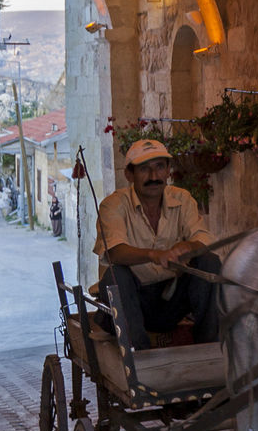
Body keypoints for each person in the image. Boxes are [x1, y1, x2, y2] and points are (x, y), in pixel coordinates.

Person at [94, 139, 221, 348]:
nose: (154, 177)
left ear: (168, 170)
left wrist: (188, 248)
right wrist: (154, 255)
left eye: (160, 167)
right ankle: (139, 357)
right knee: (116, 275)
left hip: (172, 299)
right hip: (133, 302)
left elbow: (204, 238)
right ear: (129, 174)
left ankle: (209, 348)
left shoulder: (182, 199)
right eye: (144, 169)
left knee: (209, 261)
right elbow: (115, 252)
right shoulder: (113, 204)